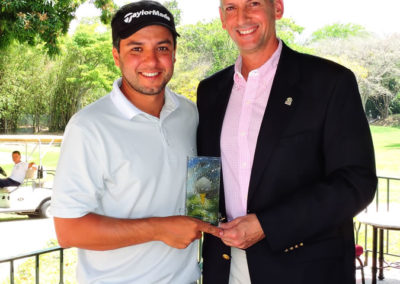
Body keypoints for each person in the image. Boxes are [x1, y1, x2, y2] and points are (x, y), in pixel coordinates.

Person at [196, 0, 377, 283]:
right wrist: (197, 220)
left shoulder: (329, 82)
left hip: (305, 269)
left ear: (277, 9)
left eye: (253, 3)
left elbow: (356, 182)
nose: (241, 17)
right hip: (225, 268)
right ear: (222, 18)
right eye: (231, 7)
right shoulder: (210, 91)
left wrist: (267, 225)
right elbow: (205, 174)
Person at [51, 1, 220, 283]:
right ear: (116, 56)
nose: (151, 61)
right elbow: (68, 230)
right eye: (136, 48)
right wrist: (158, 229)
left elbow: (201, 188)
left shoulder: (189, 113)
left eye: (162, 48)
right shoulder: (89, 126)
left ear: (175, 54)